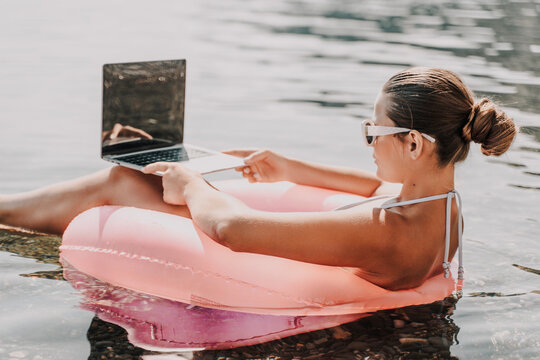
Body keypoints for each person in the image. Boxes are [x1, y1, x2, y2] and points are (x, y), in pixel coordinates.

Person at [0, 67, 516, 290]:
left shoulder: (389, 231)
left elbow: (233, 231)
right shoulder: (444, 205)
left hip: (243, 258)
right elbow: (374, 188)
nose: (367, 140)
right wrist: (287, 166)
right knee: (139, 179)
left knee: (123, 182)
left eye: (373, 130)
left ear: (412, 142)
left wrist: (189, 181)